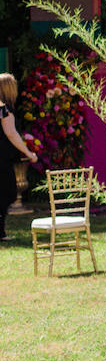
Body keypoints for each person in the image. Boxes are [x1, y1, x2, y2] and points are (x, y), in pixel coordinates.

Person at [0, 73, 40, 242]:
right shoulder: (4, 110)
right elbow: (11, 134)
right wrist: (29, 153)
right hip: (1, 160)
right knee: (7, 193)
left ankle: (1, 233)